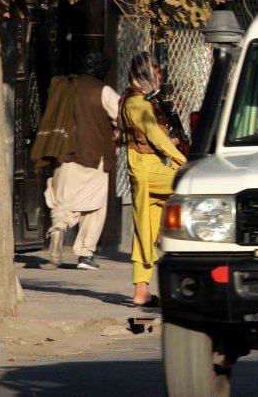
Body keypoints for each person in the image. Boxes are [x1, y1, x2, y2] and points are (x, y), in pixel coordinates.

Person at [32, 52, 119, 270]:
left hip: (64, 151)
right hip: (94, 155)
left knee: (62, 199)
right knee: (95, 205)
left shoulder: (63, 85)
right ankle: (85, 254)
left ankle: (58, 229)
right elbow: (122, 116)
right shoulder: (103, 91)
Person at [120, 51, 186, 307]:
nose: (160, 74)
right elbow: (153, 136)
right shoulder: (138, 103)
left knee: (143, 230)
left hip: (146, 168)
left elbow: (154, 138)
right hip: (148, 169)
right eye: (156, 69)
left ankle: (141, 291)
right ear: (146, 72)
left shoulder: (136, 100)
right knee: (191, 185)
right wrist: (182, 159)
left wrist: (172, 144)